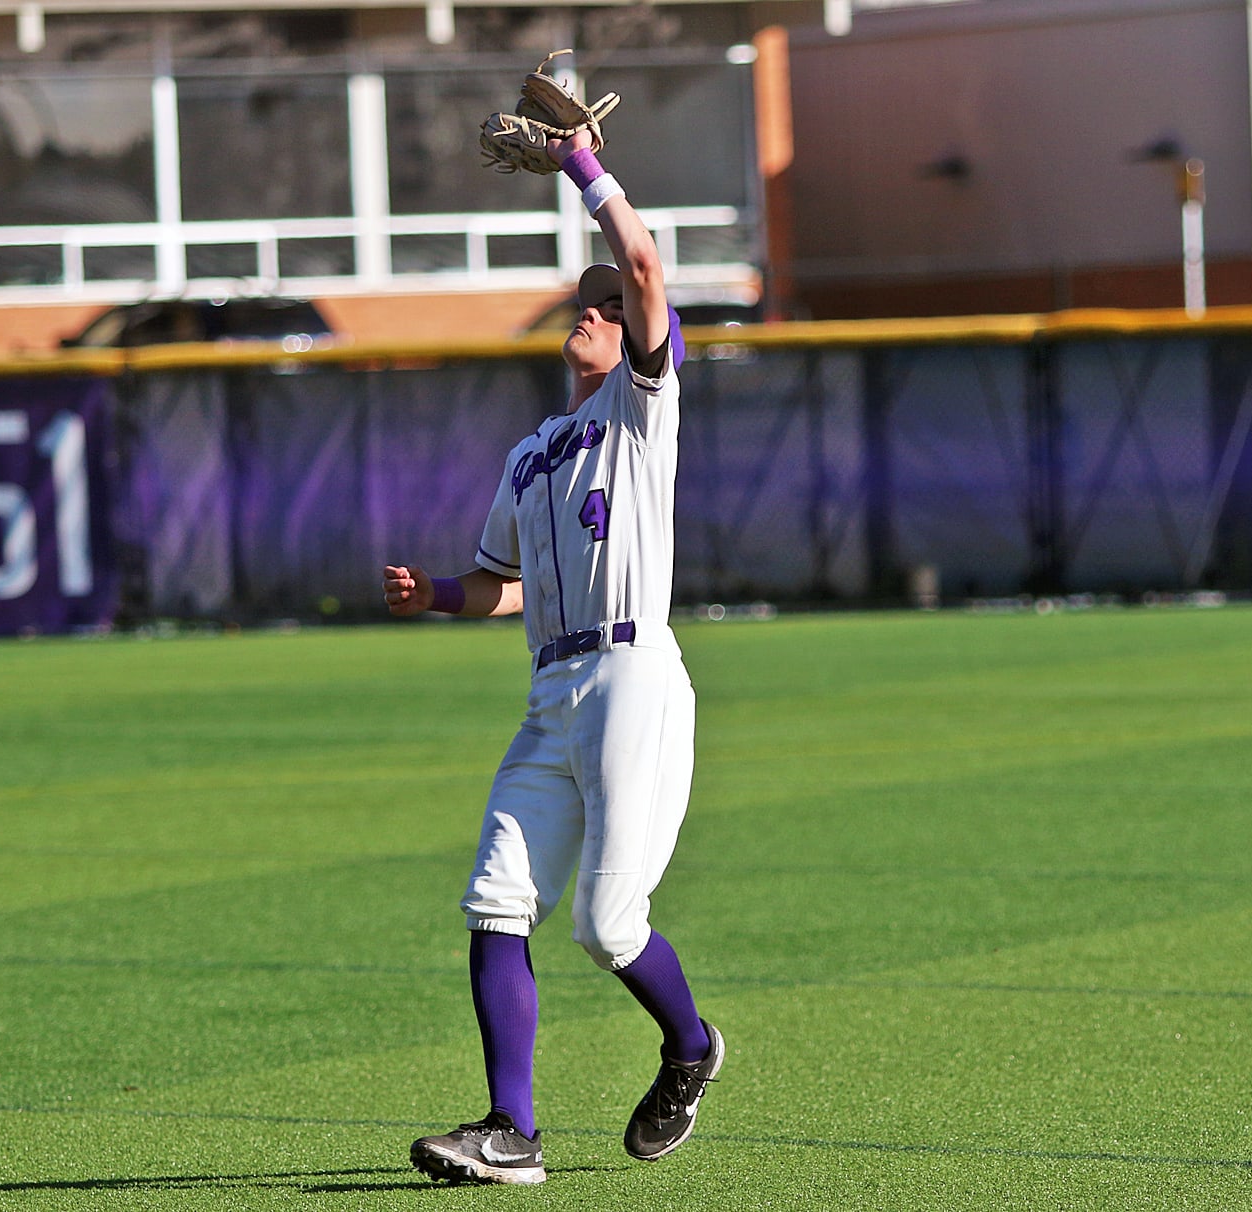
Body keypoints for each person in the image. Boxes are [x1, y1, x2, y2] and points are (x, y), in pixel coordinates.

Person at [383, 128, 722, 1186]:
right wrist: (438, 594)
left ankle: (690, 1046)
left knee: (607, 926)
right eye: (589, 302)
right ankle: (510, 1131)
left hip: (631, 678)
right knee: (494, 899)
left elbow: (646, 265)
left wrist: (584, 165)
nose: (597, 310)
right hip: (552, 688)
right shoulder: (531, 454)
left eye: (610, 308)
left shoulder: (639, 411)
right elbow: (507, 584)